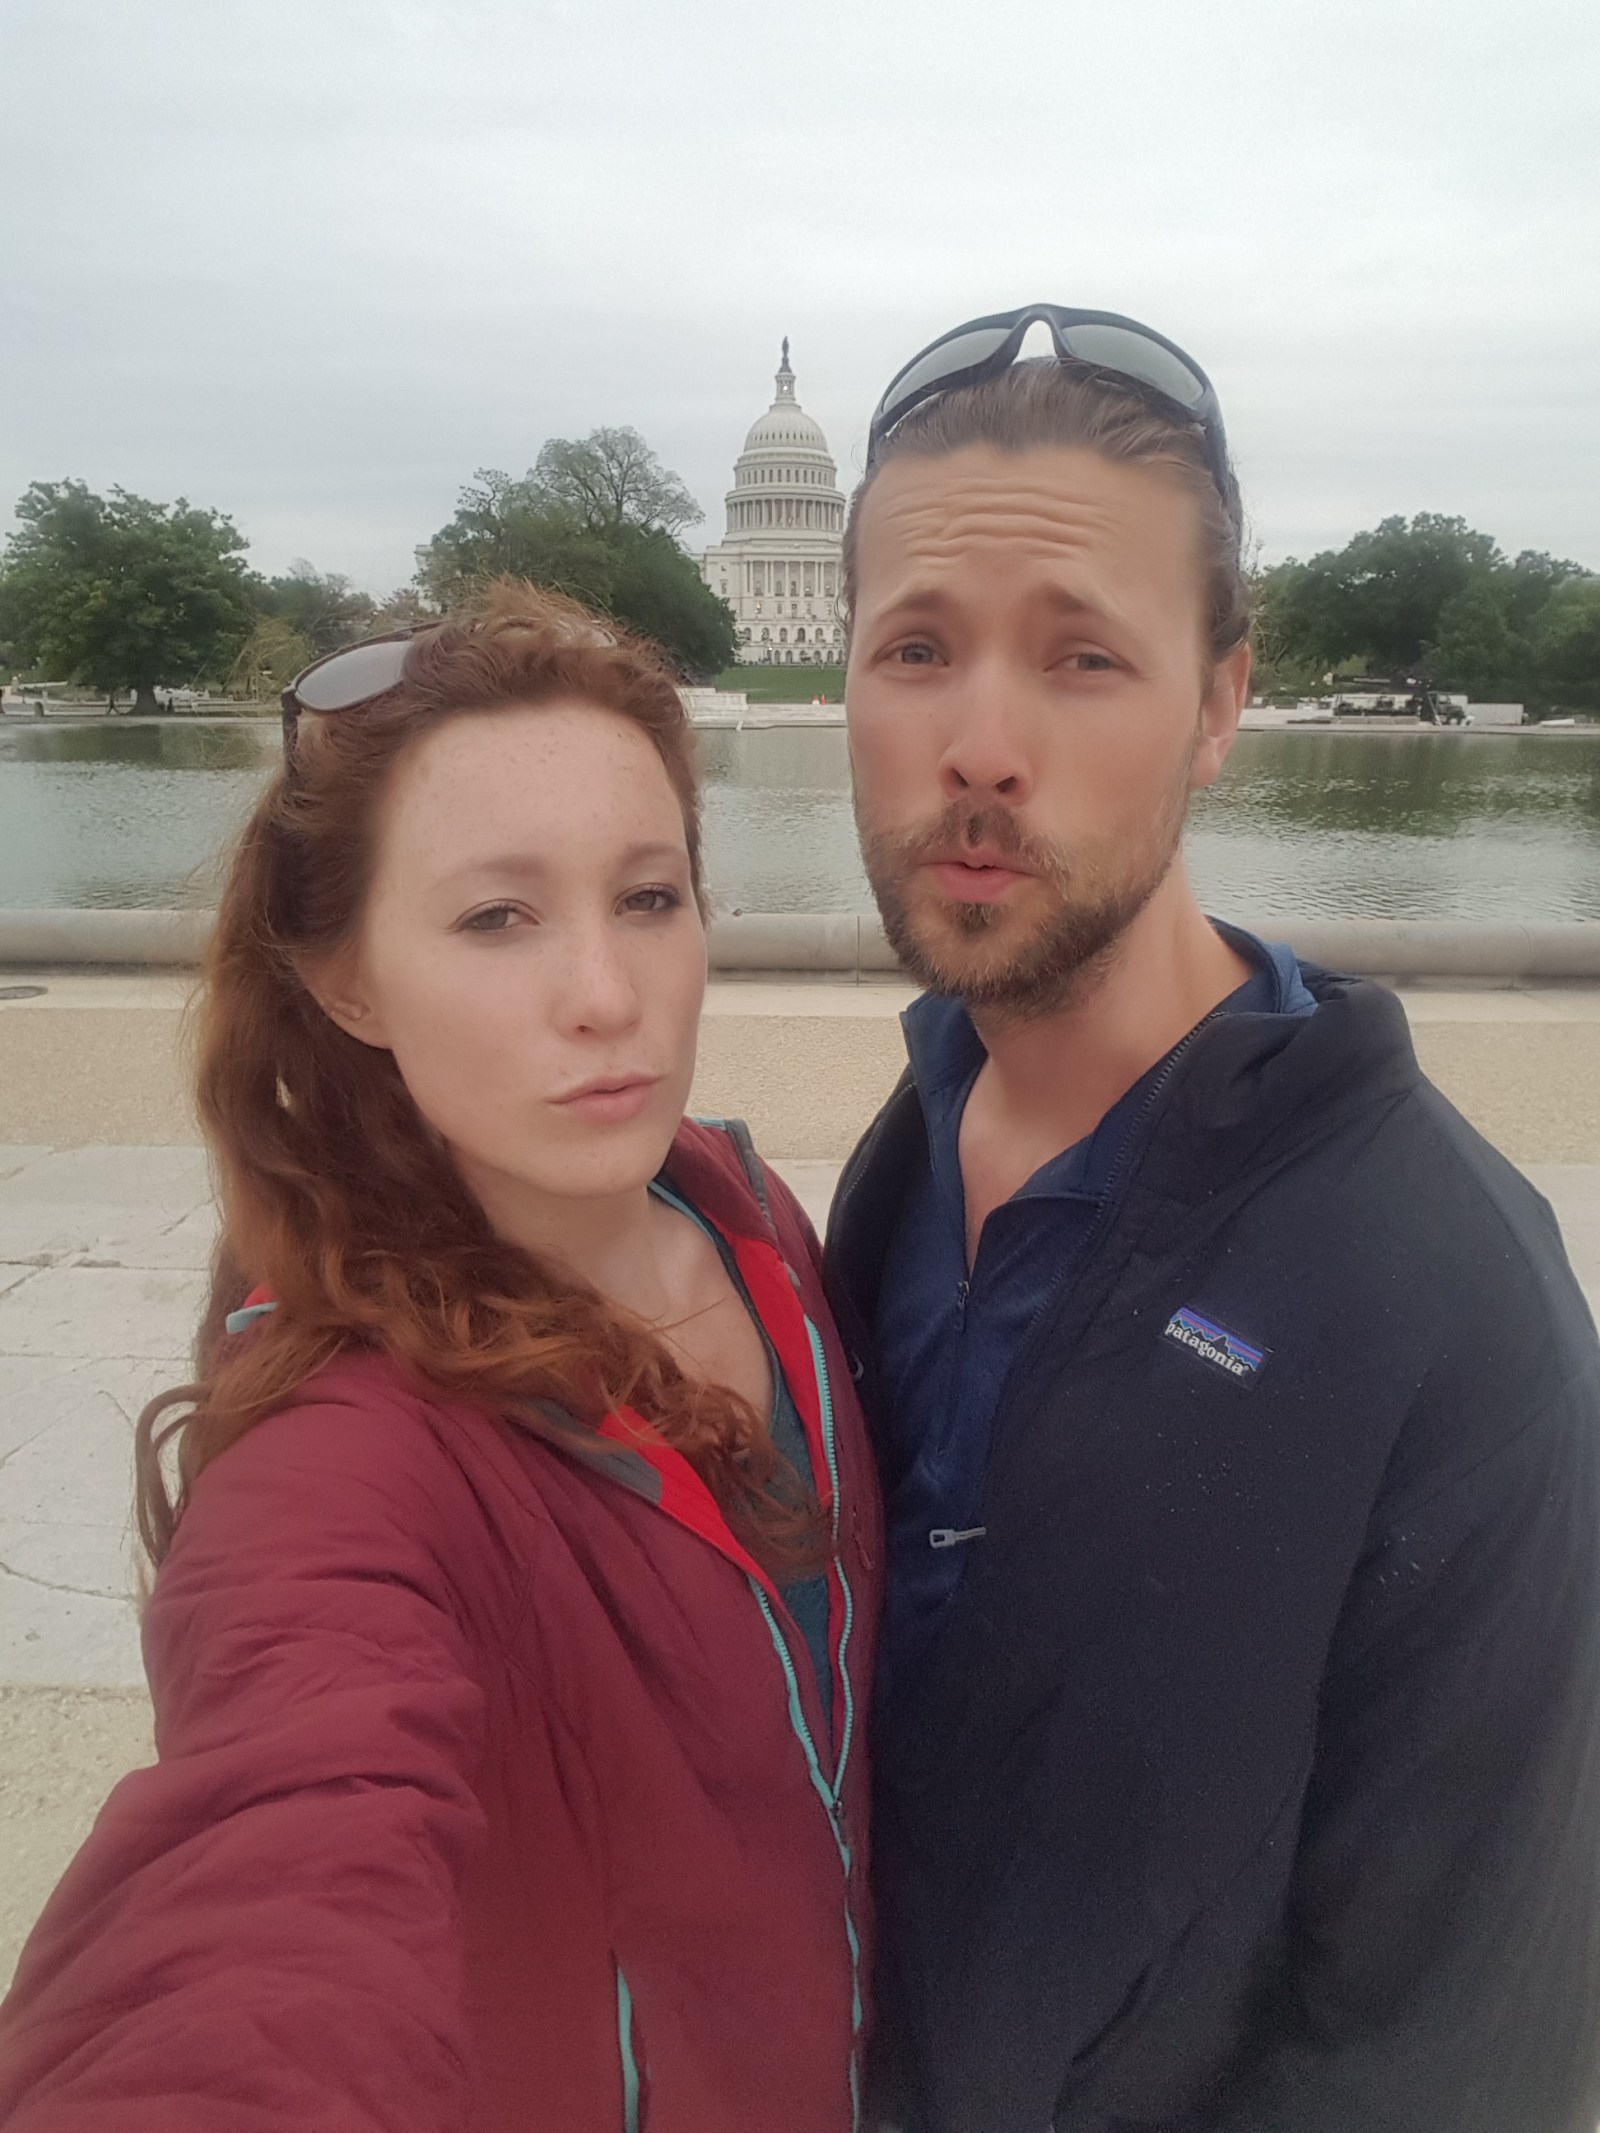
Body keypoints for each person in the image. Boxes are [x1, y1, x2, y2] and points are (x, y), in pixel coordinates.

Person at [825, 306, 1600, 2133]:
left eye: (1083, 657)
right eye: (917, 647)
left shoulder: (1456, 1308)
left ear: (1222, 706)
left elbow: (1455, 2041)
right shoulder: (901, 1152)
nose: (981, 745)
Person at [0, 583, 878, 2133]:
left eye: (650, 896)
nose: (608, 996)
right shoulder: (342, 1464)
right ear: (345, 979)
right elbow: (260, 1897)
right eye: (497, 915)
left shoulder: (747, 1213)